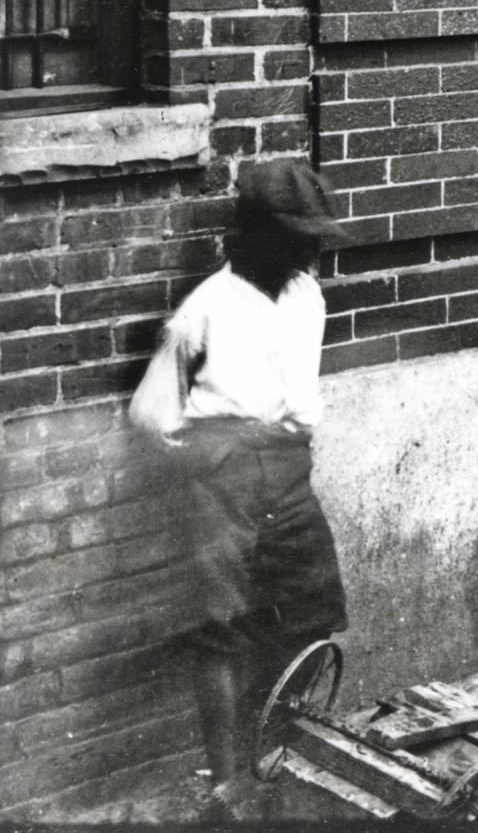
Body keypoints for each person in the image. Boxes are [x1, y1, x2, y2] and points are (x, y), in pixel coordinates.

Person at [129, 159, 350, 813]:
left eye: (314, 237)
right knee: (221, 624)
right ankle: (228, 782)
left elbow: (300, 393)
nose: (310, 250)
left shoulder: (306, 294)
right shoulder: (205, 310)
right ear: (254, 234)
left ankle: (270, 749)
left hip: (288, 468)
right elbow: (150, 413)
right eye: (295, 236)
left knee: (315, 609)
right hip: (218, 473)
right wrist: (214, 460)